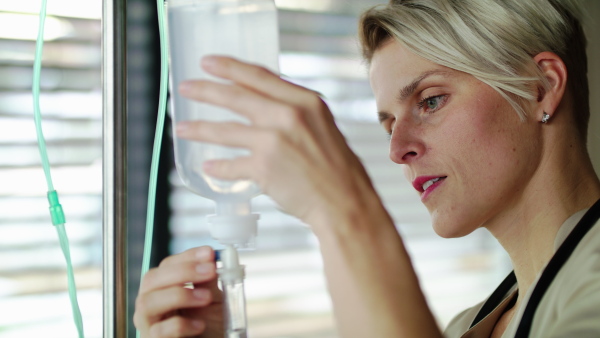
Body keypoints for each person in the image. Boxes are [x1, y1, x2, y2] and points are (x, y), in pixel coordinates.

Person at [133, 0, 600, 337]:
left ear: (540, 87)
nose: (398, 149)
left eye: (430, 101)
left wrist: (340, 206)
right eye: (388, 123)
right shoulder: (469, 325)